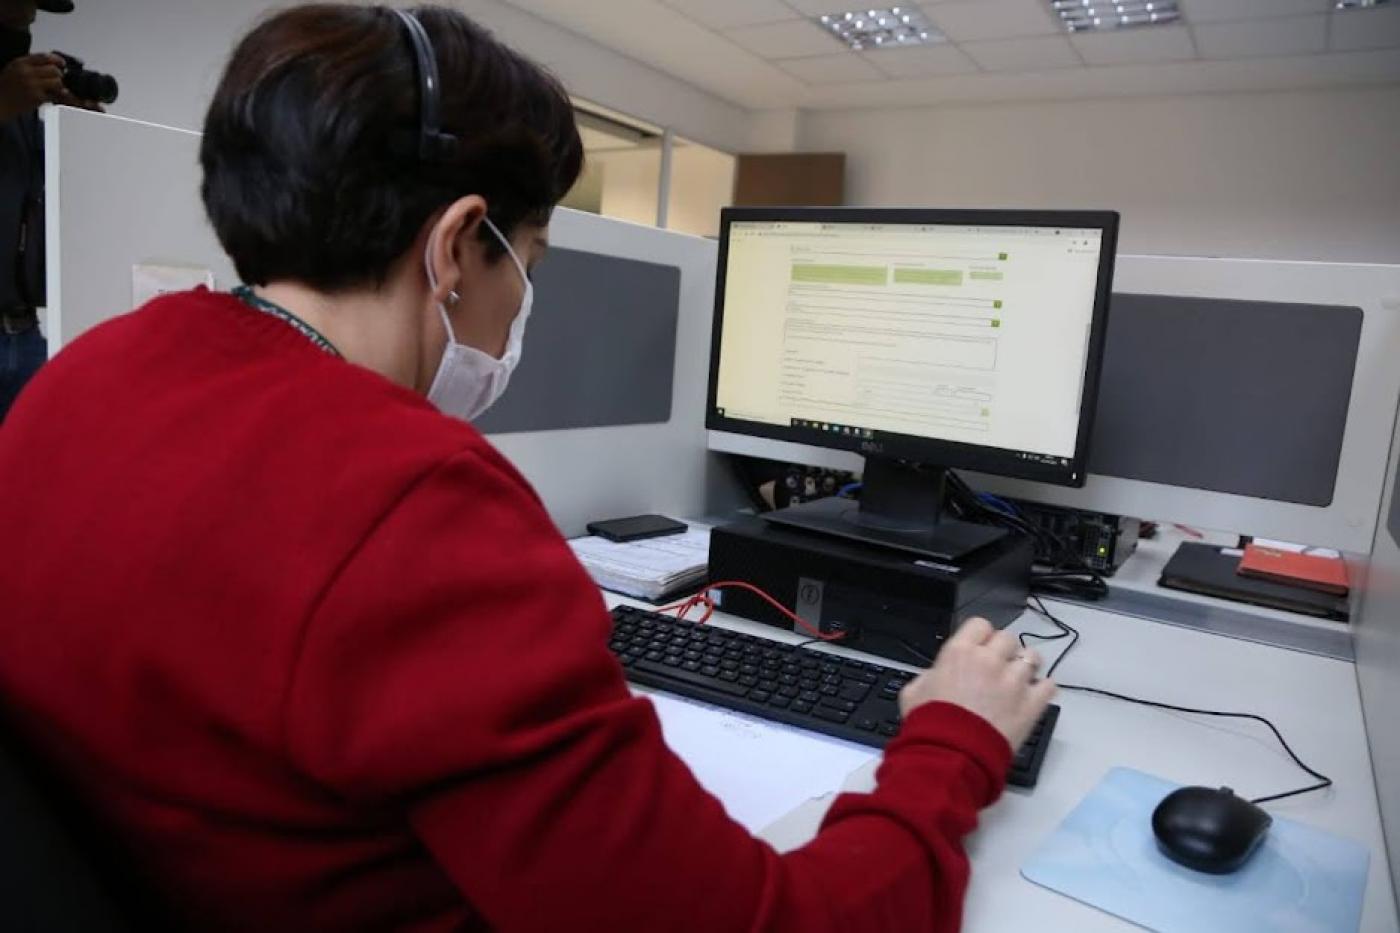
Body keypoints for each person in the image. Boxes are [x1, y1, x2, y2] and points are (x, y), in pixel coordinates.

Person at [0, 4, 1055, 930]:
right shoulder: (411, 497)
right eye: (530, 264)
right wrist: (953, 742)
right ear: (457, 246)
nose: (521, 307)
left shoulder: (84, 374)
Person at [0, 0, 84, 422]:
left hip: (23, 330)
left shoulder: (22, 97)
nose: (26, 14)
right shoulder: (10, 92)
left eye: (33, 7)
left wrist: (78, 136)